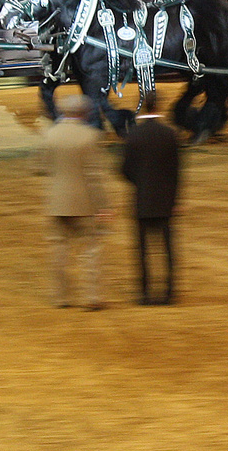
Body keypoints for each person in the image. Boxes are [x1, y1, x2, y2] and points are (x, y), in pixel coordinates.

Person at [42, 93, 113, 310]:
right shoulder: (90, 136)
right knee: (89, 251)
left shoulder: (49, 135)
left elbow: (38, 167)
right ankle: (91, 297)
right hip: (83, 203)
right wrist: (103, 206)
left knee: (59, 251)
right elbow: (93, 175)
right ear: (84, 113)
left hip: (57, 202)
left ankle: (60, 298)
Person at [121, 107, 181, 305]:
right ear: (157, 108)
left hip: (142, 198)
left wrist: (139, 181)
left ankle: (145, 294)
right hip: (165, 200)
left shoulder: (134, 135)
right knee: (167, 248)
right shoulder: (169, 134)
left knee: (142, 250)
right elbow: (176, 171)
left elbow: (124, 170)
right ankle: (169, 292)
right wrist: (175, 200)